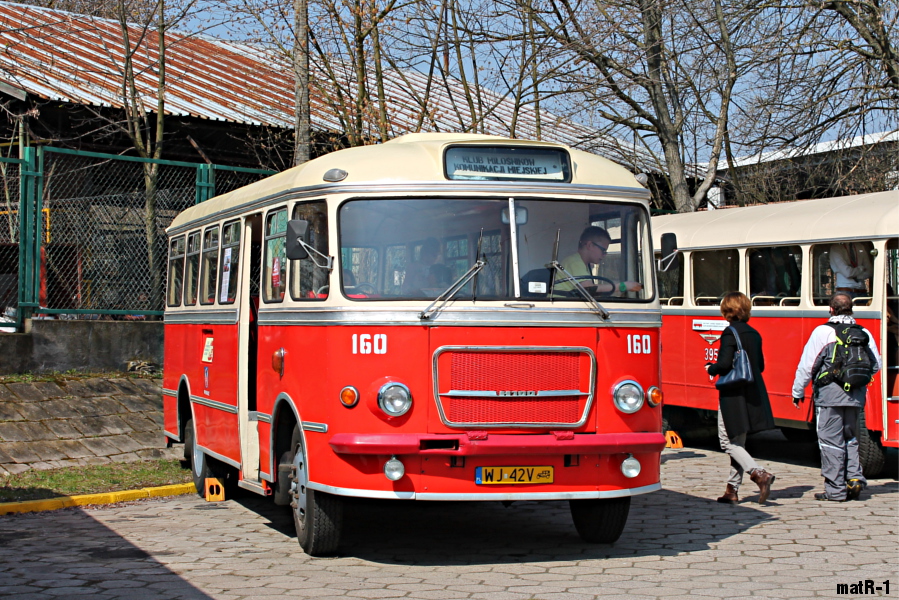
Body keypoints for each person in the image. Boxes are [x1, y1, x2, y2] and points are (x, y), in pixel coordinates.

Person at [791, 292, 881, 501]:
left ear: (831, 309)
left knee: (830, 441)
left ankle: (835, 490)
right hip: (856, 396)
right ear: (852, 309)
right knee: (851, 438)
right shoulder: (863, 332)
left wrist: (798, 392)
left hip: (829, 395)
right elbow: (875, 365)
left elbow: (807, 366)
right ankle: (855, 479)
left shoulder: (822, 332)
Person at [704, 291, 776, 504]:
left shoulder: (729, 333)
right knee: (738, 443)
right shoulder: (754, 333)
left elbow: (725, 364)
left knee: (727, 442)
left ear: (727, 310)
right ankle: (731, 490)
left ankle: (759, 473)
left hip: (732, 394)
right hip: (751, 391)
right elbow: (760, 366)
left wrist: (711, 368)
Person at [554, 226, 642, 296]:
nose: (605, 254)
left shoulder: (584, 264)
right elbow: (589, 289)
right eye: (603, 250)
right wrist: (622, 286)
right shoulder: (574, 262)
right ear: (590, 245)